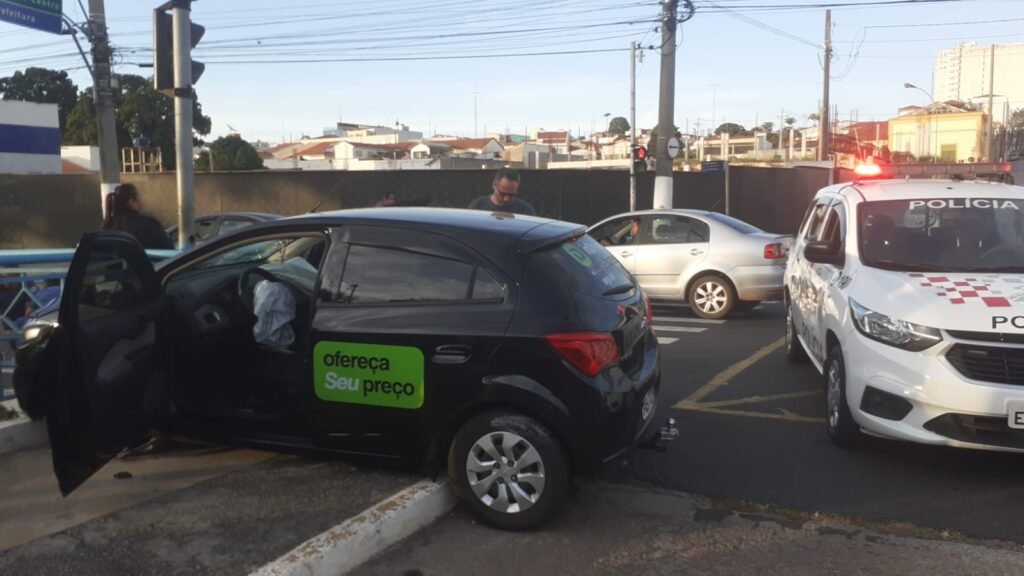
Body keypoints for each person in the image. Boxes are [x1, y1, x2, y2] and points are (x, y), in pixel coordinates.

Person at [101, 183, 174, 249]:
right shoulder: (147, 224)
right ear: (132, 202)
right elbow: (169, 250)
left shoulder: (107, 227)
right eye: (139, 198)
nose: (142, 202)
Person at [468, 168, 536, 216]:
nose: (506, 199)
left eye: (511, 195)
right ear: (494, 185)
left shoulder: (525, 211)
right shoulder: (478, 207)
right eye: (502, 194)